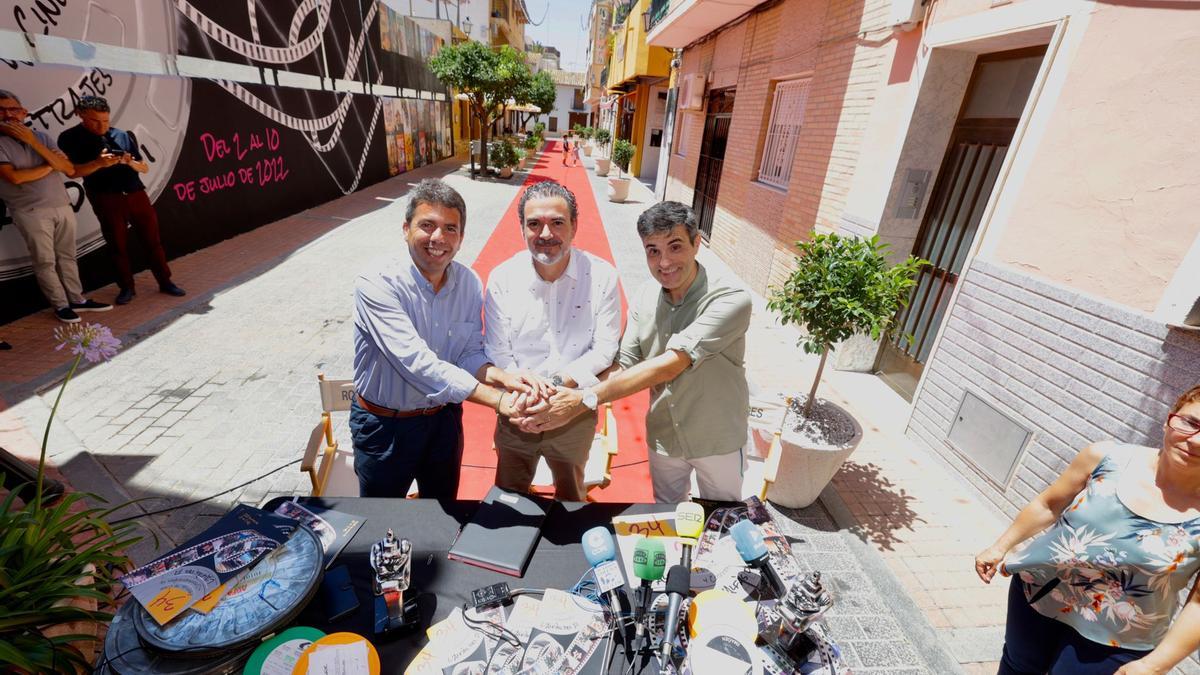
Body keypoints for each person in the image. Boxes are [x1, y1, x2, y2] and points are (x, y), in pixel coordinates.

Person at [514, 201, 752, 503]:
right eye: (653, 250)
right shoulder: (645, 297)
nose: (664, 262)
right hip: (664, 438)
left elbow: (671, 363)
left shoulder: (731, 299)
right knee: (668, 520)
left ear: (696, 243)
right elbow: (623, 364)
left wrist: (584, 400)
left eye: (675, 247)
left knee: (722, 521)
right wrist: (557, 389)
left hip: (718, 439)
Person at [975, 384, 1200, 675]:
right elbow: (1049, 504)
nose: (1196, 441)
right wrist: (1000, 546)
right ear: (1170, 418)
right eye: (1191, 423)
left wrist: (1155, 666)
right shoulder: (1106, 457)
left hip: (1120, 633)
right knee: (1017, 668)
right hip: (1042, 591)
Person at [352, 178, 535, 499]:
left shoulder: (468, 283)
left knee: (442, 514)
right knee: (380, 522)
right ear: (405, 228)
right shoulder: (377, 283)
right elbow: (416, 363)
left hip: (443, 422)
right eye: (427, 225)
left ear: (461, 238)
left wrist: (505, 378)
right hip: (385, 427)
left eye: (450, 228)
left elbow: (467, 353)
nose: (438, 237)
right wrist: (499, 401)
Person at [484, 180, 620, 501]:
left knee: (571, 499)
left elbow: (605, 349)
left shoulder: (602, 277)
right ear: (522, 229)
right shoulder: (502, 278)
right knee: (509, 499)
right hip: (518, 410)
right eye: (535, 224)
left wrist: (558, 387)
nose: (546, 234)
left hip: (574, 410)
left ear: (574, 226)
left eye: (557, 222)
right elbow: (498, 351)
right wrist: (530, 396)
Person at [58, 96, 185, 305]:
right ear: (80, 115)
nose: (102, 126)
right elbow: (73, 172)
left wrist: (130, 162)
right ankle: (126, 288)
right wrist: (99, 163)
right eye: (95, 121)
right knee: (117, 245)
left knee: (153, 241)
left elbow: (143, 167)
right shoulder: (69, 138)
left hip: (136, 194)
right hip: (105, 197)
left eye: (106, 121)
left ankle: (165, 281)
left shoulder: (121, 135)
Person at [0, 90, 110, 322]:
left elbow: (68, 169)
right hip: (30, 212)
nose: (8, 115)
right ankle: (60, 305)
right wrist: (51, 165)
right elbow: (16, 178)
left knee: (68, 256)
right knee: (45, 261)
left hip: (61, 205)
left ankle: (77, 300)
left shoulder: (41, 137)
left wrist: (33, 142)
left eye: (13, 109)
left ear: (23, 112)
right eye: (1, 111)